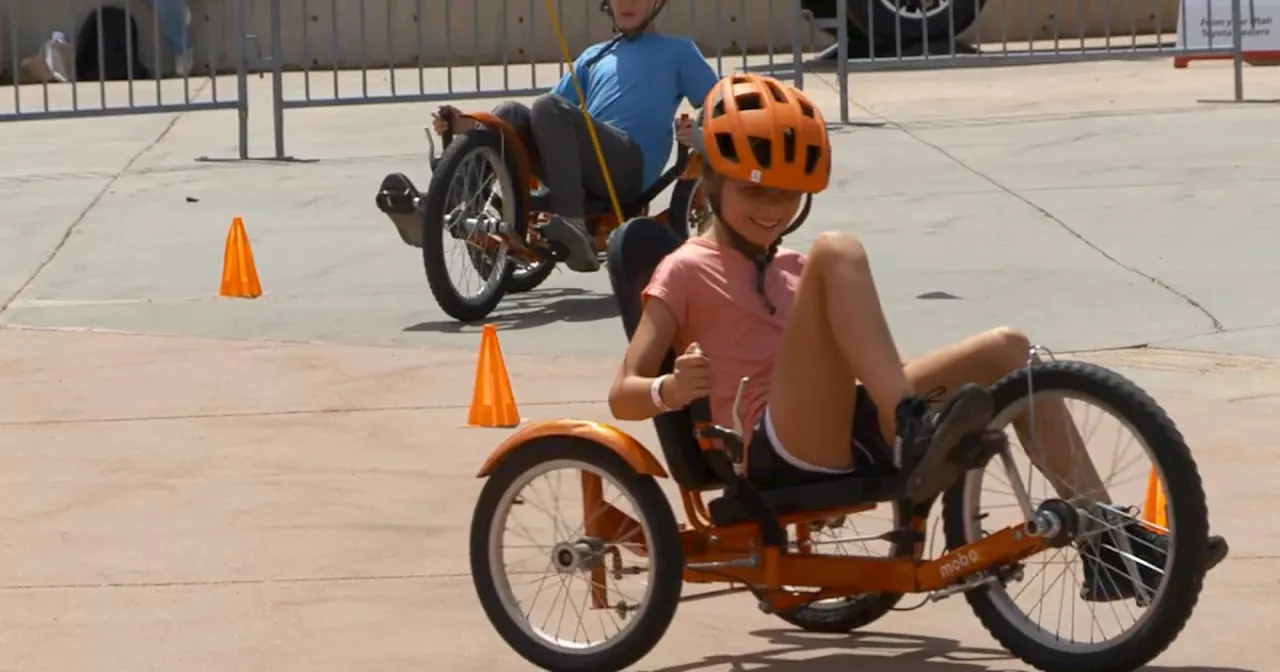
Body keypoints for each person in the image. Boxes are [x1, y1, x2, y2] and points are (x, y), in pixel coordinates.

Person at [607, 72, 1229, 603]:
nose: (773, 210)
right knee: (838, 250)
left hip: (854, 418)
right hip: (772, 447)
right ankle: (911, 425)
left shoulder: (797, 268)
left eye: (790, 196)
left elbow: (857, 357)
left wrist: (914, 381)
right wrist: (667, 388)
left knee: (1011, 348)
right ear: (710, 182)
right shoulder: (685, 269)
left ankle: (1105, 542)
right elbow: (623, 394)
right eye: (755, 192)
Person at [433, 0, 718, 273]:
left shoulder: (678, 51)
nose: (627, 3)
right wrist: (470, 127)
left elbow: (719, 104)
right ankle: (446, 206)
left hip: (629, 166)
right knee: (510, 113)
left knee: (548, 106)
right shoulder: (594, 55)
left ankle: (572, 221)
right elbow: (542, 120)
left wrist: (702, 135)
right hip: (582, 169)